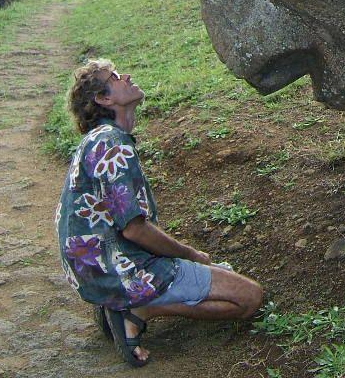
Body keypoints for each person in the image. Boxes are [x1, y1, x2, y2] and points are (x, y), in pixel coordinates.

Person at [55, 59, 263, 367]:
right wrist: (191, 255)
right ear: (103, 98)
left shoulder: (96, 140)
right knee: (250, 298)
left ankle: (120, 302)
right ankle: (139, 309)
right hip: (119, 269)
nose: (125, 76)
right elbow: (134, 230)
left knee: (224, 272)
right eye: (114, 77)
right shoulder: (112, 144)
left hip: (94, 272)